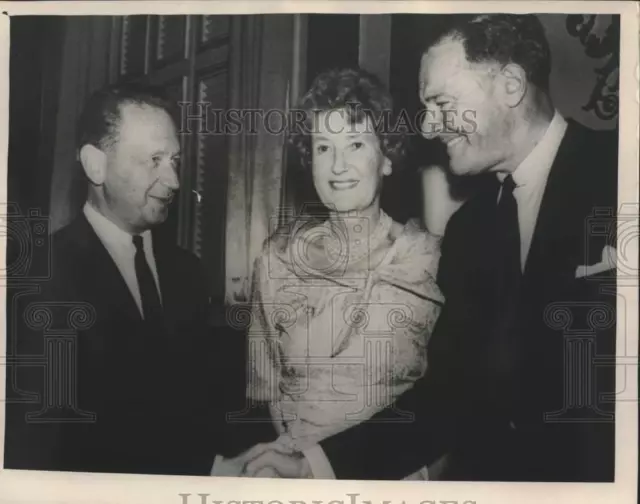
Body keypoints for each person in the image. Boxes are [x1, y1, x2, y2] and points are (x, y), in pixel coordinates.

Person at [236, 14, 617, 481]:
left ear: (511, 86)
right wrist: (315, 464)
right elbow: (452, 394)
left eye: (440, 102)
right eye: (322, 147)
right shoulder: (472, 231)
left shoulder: (622, 174)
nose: (430, 126)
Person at [213, 68, 445, 479]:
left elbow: (454, 398)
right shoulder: (277, 259)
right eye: (323, 148)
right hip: (294, 471)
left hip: (397, 475)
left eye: (355, 144)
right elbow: (266, 388)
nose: (338, 165)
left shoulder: (426, 257)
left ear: (387, 158)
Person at [4, 84, 222, 475]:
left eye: (174, 160)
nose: (173, 180)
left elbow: (199, 411)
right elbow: (35, 449)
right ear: (95, 165)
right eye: (153, 160)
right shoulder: (40, 276)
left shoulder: (189, 272)